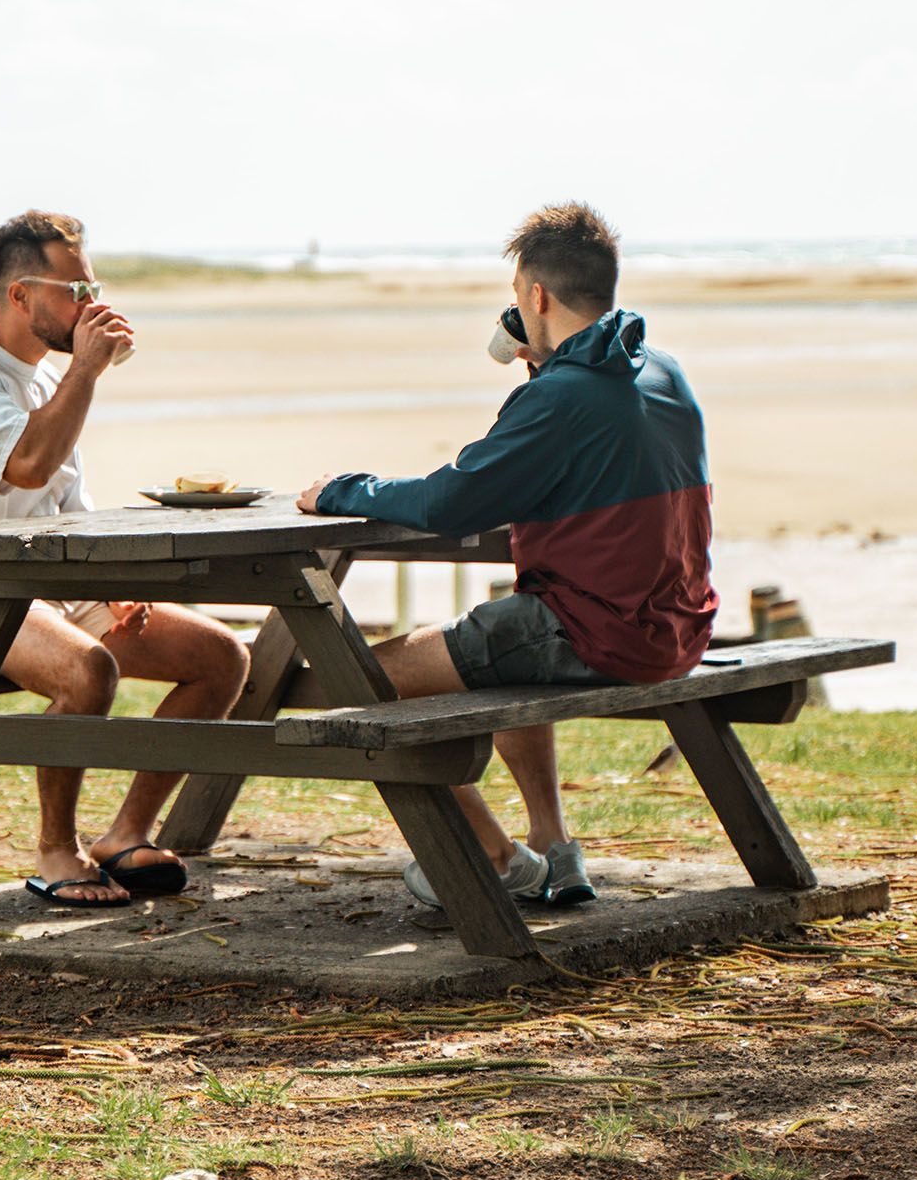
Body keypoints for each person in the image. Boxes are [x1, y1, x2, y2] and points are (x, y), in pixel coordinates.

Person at [298, 202, 716, 909]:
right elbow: (576, 453)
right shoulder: (661, 371)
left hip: (593, 632)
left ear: (536, 298)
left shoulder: (563, 396)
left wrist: (339, 491)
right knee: (507, 629)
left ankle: (493, 857)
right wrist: (542, 376)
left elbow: (447, 504)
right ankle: (556, 848)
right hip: (678, 629)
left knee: (365, 676)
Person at [0, 210, 251, 907]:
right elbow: (26, 465)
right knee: (89, 672)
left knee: (221, 657)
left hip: (38, 587)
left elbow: (68, 508)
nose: (91, 304)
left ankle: (127, 834)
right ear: (20, 296)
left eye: (93, 287)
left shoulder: (52, 383)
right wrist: (87, 367)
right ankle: (58, 850)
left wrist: (108, 585)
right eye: (74, 291)